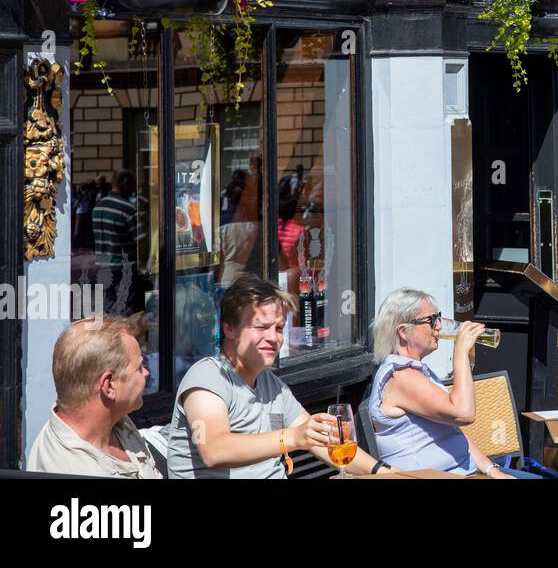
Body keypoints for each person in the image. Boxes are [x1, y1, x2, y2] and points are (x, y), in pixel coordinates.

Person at [167, 274, 383, 478]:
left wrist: (383, 471)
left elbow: (322, 442)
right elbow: (214, 451)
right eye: (261, 327)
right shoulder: (210, 377)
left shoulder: (272, 385)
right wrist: (291, 437)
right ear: (229, 329)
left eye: (279, 328)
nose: (273, 337)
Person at [368, 288, 536, 478]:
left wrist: (492, 470)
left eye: (438, 317)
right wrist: (461, 352)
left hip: (464, 471)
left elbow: (451, 431)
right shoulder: (401, 377)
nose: (439, 326)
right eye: (431, 320)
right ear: (403, 332)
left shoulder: (415, 371)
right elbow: (463, 413)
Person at [26, 318, 161, 478]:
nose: (146, 373)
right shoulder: (73, 470)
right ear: (109, 385)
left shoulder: (114, 420)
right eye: (139, 368)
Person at [91, 170, 146, 323]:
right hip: (123, 267)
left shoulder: (98, 207)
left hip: (103, 265)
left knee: (108, 308)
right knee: (126, 311)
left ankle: (110, 334)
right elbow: (141, 241)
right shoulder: (127, 209)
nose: (134, 189)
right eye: (132, 184)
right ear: (125, 182)